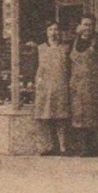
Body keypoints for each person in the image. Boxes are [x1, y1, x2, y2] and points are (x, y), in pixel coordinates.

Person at [69, 14, 98, 157]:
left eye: (90, 25)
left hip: (96, 84)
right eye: (84, 24)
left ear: (94, 26)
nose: (87, 28)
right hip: (78, 86)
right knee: (80, 117)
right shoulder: (75, 41)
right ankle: (86, 149)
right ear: (80, 26)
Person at [32, 21, 70, 155]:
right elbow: (37, 69)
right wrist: (37, 84)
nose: (54, 33)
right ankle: (50, 146)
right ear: (46, 32)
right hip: (45, 87)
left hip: (61, 86)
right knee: (46, 117)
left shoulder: (66, 48)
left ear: (60, 33)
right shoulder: (40, 48)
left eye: (56, 30)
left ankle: (63, 147)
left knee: (61, 118)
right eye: (50, 30)